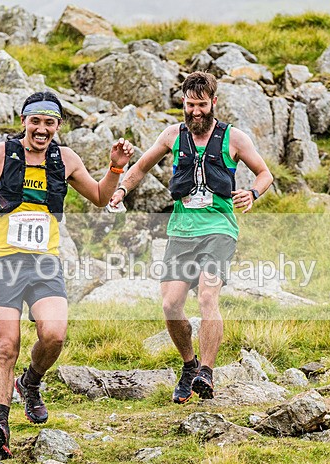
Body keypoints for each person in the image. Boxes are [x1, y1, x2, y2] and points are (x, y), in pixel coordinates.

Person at [0, 91, 134, 459]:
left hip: (43, 264)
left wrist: (115, 167)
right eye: (35, 121)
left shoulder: (65, 159)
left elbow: (100, 197)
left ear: (57, 126)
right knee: (6, 346)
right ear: (23, 121)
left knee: (53, 336)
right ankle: (0, 425)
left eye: (49, 122)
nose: (41, 129)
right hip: (3, 262)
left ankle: (31, 383)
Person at [108, 71, 273, 403]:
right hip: (181, 232)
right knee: (170, 305)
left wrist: (253, 194)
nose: (195, 112)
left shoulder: (234, 138)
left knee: (208, 296)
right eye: (189, 105)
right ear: (182, 103)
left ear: (214, 102)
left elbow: (265, 173)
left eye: (201, 105)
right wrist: (122, 189)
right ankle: (189, 365)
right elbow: (140, 167)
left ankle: (207, 373)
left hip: (219, 229)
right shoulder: (172, 135)